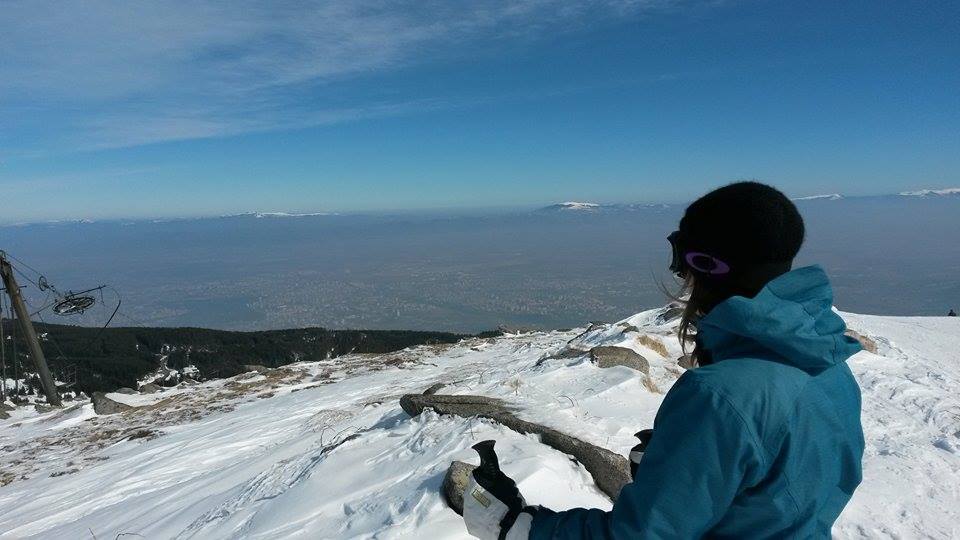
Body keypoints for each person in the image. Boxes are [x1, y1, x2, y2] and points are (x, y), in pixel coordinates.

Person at [461, 182, 865, 539]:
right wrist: (686, 462)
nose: (679, 275)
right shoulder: (830, 368)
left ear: (706, 264)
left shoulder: (719, 396)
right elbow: (783, 486)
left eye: (682, 257)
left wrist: (518, 529)